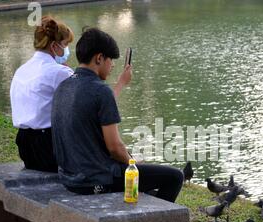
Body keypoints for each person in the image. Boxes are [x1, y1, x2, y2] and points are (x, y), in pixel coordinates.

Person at [51, 27, 184, 203]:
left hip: (70, 180)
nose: (113, 65)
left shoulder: (63, 87)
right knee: (175, 176)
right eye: (111, 60)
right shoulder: (101, 91)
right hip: (96, 181)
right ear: (99, 58)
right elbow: (114, 147)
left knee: (146, 184)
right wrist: (133, 163)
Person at [10, 15, 74, 172]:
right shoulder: (60, 72)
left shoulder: (22, 70)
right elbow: (86, 103)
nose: (66, 50)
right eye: (65, 44)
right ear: (54, 46)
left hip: (24, 146)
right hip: (48, 147)